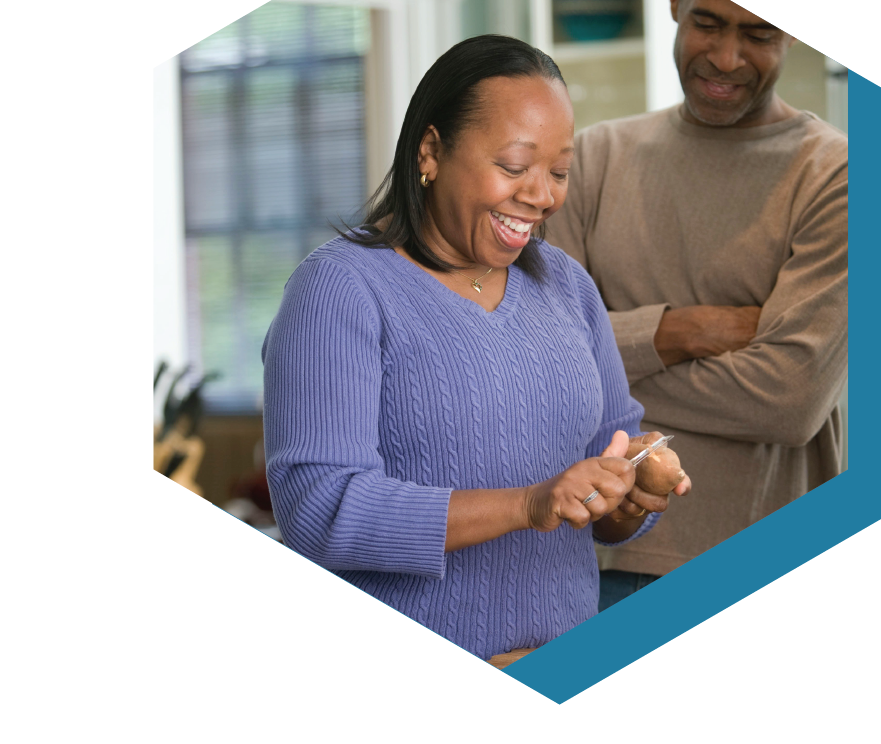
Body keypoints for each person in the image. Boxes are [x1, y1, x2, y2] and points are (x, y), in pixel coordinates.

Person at [262, 34, 691, 662]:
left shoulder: (566, 285)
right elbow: (321, 511)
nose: (542, 195)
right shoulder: (340, 289)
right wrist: (528, 503)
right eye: (515, 167)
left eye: (559, 172)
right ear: (430, 152)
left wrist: (634, 493)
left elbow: (611, 465)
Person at [545, 0, 848, 606]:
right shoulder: (595, 158)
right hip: (592, 556)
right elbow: (540, 361)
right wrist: (678, 332)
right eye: (708, 23)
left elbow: (789, 400)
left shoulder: (837, 177)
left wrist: (603, 352)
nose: (727, 58)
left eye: (758, 34)